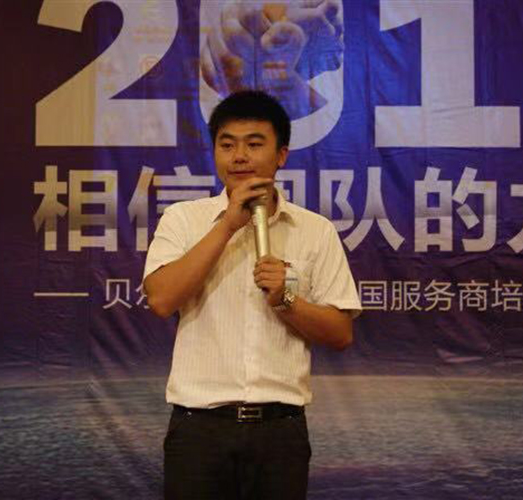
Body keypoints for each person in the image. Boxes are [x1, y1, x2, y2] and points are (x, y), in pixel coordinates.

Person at [143, 90, 361, 499]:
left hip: (280, 433)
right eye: (227, 145)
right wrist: (227, 225)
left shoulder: (315, 231)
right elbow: (161, 300)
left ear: (281, 155)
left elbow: (340, 333)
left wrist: (286, 299)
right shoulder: (183, 219)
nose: (239, 156)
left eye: (254, 144)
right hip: (198, 431)